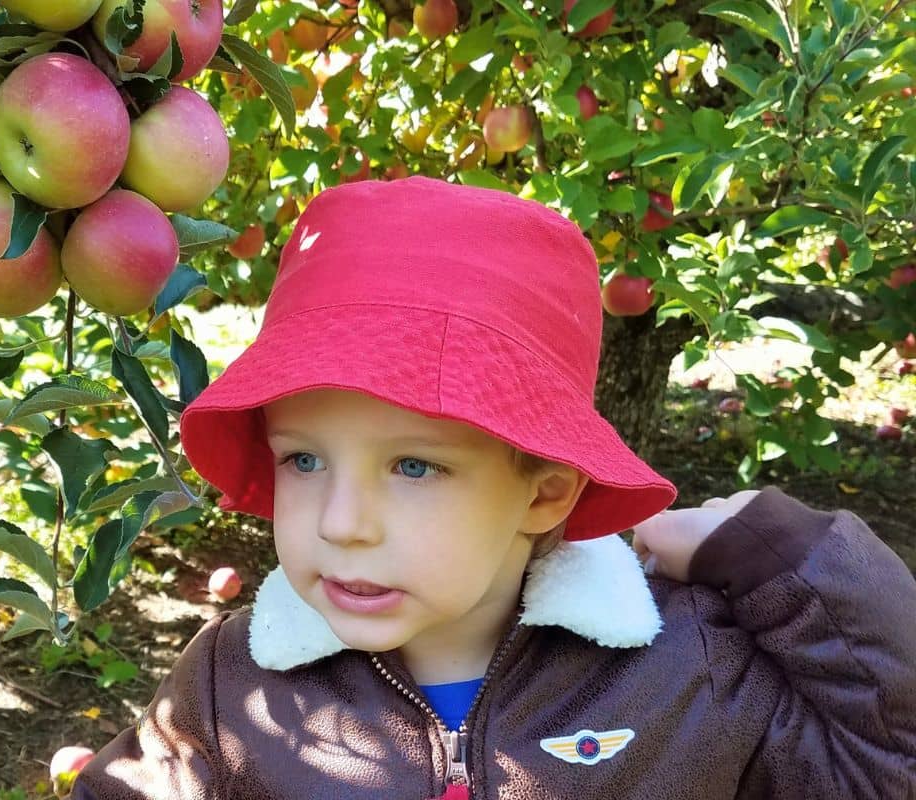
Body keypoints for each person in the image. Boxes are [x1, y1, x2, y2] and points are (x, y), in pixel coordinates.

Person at [72, 177, 916, 800]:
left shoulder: (681, 671)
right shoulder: (234, 686)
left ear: (545, 494)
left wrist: (788, 559)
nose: (342, 523)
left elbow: (888, 765)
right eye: (303, 459)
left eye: (415, 466)